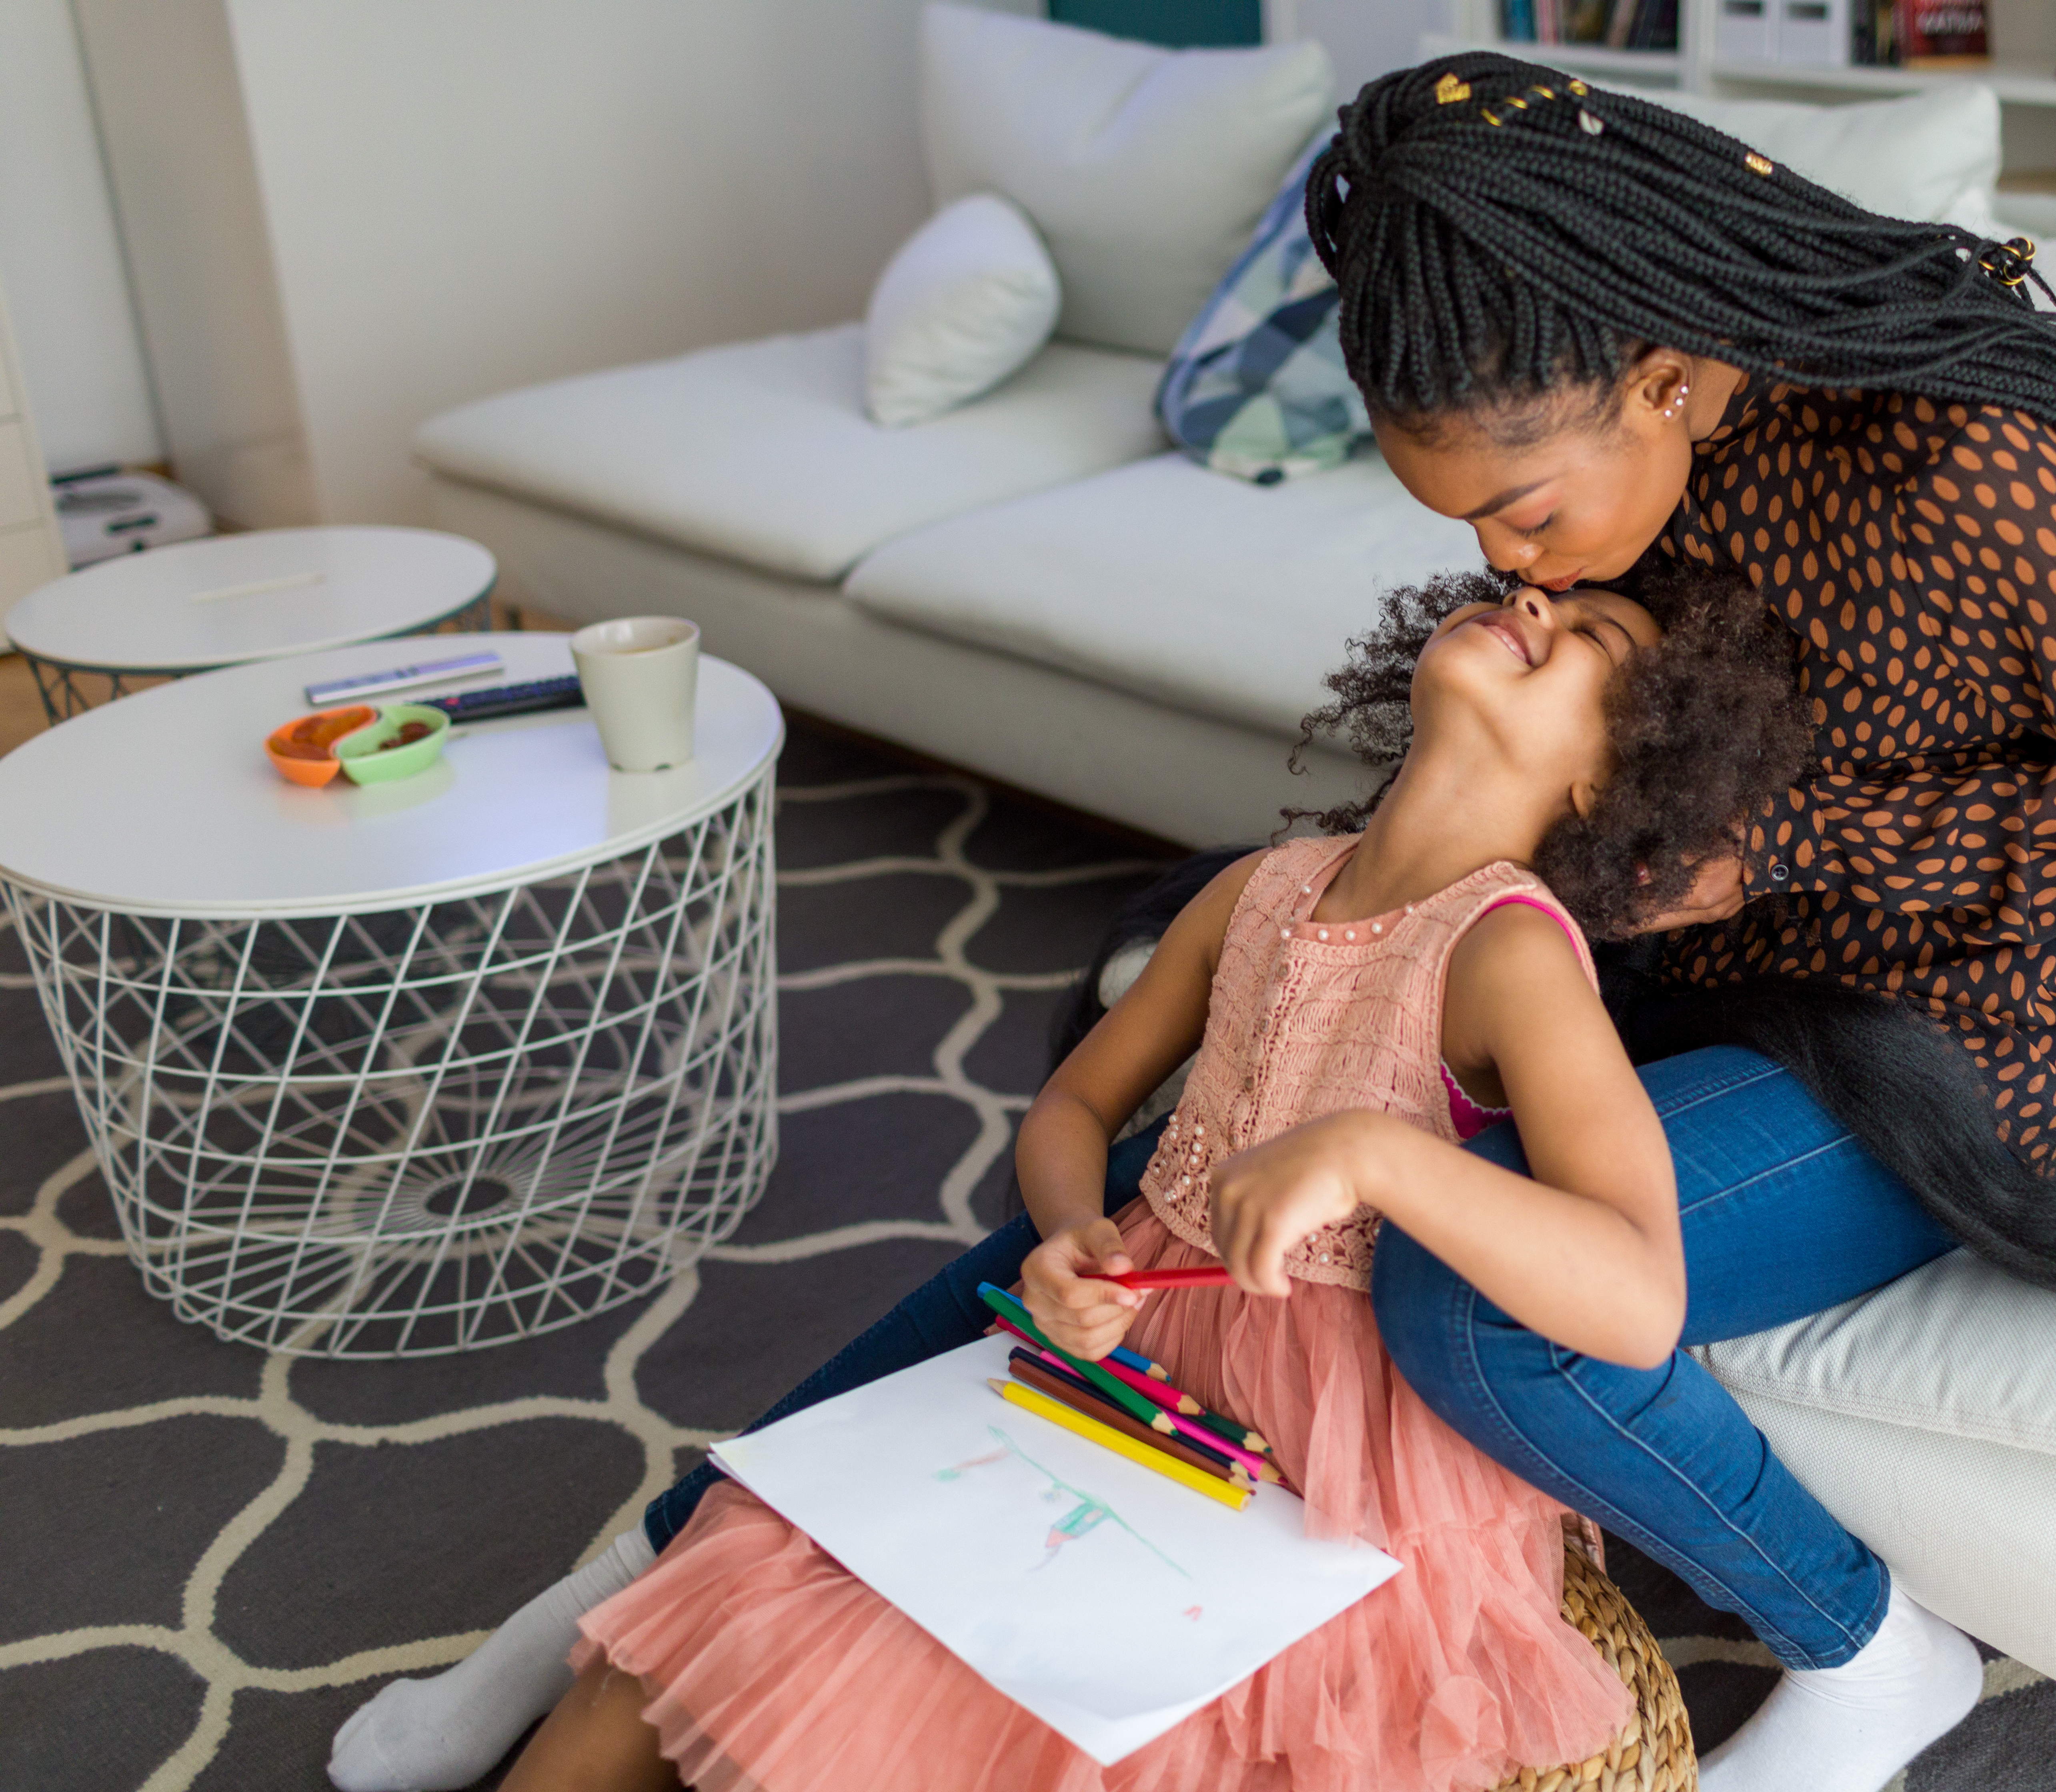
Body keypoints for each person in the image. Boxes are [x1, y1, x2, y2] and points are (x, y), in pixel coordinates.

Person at [333, 52, 2056, 1792]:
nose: (1511, 571)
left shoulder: (1957, 467)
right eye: (1459, 530)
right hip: (1645, 979)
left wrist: (1803, 861)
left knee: (1475, 1312)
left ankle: (1868, 1647)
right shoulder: (1591, 504)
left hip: (1933, 1035)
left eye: (1523, 510)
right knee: (1153, 1193)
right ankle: (631, 1592)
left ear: (1678, 380)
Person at [492, 566, 1828, 1792]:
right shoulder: (1259, 888)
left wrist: (1381, 1155)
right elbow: (1078, 1101)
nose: (1534, 596)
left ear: (1611, 784)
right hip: (1122, 1387)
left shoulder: (1511, 955)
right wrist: (1070, 1233)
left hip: (1331, 1469)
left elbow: (1639, 1294)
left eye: (1590, 634)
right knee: (725, 1591)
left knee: (1029, 1726)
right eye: (1531, 589)